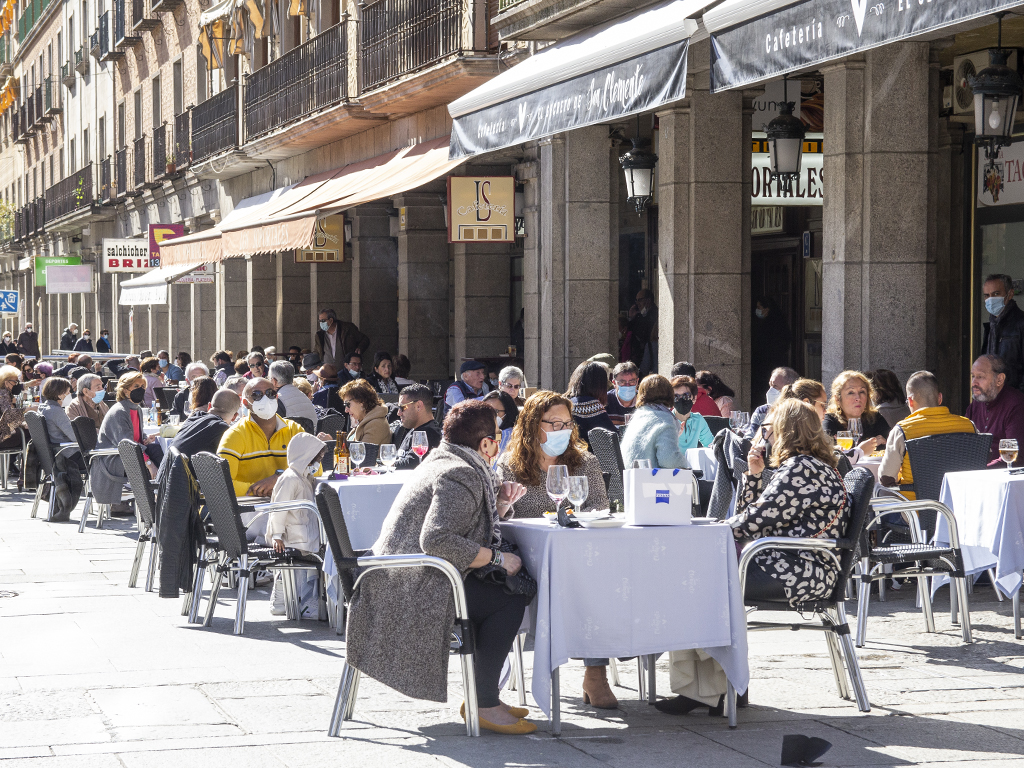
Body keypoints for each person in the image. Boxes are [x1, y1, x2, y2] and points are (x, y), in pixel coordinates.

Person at [345, 400, 534, 734]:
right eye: (497, 435)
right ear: (486, 444)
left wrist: (500, 505)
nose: (500, 442)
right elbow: (437, 540)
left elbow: (459, 529)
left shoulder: (446, 458)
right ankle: (485, 702)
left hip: (398, 578)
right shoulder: (460, 472)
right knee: (508, 598)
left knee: (497, 593)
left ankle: (483, 695)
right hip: (413, 585)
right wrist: (498, 559)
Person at [657, 399, 846, 718]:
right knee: (698, 572)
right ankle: (716, 687)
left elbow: (750, 521)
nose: (763, 435)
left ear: (783, 431)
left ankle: (713, 687)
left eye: (766, 428)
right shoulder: (811, 465)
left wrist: (708, 528)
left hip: (796, 569)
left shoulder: (801, 468)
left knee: (695, 576)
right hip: (805, 566)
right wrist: (754, 474)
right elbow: (754, 516)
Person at [493, 390, 613, 708]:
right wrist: (505, 505)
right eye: (553, 423)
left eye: (566, 424)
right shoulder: (509, 466)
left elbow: (599, 509)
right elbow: (498, 521)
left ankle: (595, 673)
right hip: (529, 560)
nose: (561, 431)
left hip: (577, 555)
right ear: (534, 426)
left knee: (595, 581)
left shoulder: (584, 462)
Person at [878, 371, 977, 497]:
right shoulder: (969, 426)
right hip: (959, 508)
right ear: (940, 398)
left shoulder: (902, 431)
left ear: (910, 401)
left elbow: (886, 479)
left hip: (916, 511)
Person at [265, 431, 327, 616]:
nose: (318, 463)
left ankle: (303, 601)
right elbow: (279, 509)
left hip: (305, 536)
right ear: (306, 457)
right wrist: (277, 534)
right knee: (298, 574)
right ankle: (287, 598)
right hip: (293, 538)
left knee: (303, 576)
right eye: (317, 458)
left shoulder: (304, 479)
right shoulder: (290, 479)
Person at [218, 377, 307, 498]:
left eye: (270, 393)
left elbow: (316, 469)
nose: (265, 398)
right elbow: (220, 484)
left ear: (276, 397)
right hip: (250, 509)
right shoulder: (235, 434)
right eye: (257, 395)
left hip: (289, 504)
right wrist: (261, 490)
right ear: (245, 403)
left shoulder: (294, 430)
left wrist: (280, 479)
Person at [92, 372, 162, 508]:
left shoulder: (137, 410)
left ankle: (161, 500)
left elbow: (136, 440)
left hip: (131, 455)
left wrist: (145, 439)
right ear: (125, 390)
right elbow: (127, 446)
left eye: (143, 386)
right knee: (155, 463)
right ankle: (154, 507)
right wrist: (149, 463)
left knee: (158, 452)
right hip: (115, 460)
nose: (140, 389)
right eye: (136, 386)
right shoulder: (120, 411)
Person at [966, 354, 1024, 467]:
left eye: (980, 377)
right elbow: (964, 442)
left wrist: (980, 470)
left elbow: (1015, 457)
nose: (974, 383)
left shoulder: (1016, 404)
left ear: (999, 379)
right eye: (973, 376)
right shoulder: (976, 404)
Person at [620, 375, 689, 469]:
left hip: (629, 479)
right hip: (648, 480)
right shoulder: (665, 419)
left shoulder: (639, 415)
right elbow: (669, 460)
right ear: (669, 393)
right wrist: (688, 465)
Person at [822, 370, 890, 453]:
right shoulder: (830, 420)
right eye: (851, 392)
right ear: (838, 399)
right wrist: (863, 449)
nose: (858, 398)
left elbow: (890, 444)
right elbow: (829, 453)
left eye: (862, 392)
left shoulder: (875, 418)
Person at [982, 274, 1024, 391]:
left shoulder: (1020, 324)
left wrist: (1018, 397)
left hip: (1015, 399)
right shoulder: (991, 326)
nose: (990, 299)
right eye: (987, 295)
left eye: (996, 294)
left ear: (1010, 294)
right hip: (993, 396)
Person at [38, 377, 87, 473]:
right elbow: (75, 437)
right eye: (68, 392)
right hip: (68, 455)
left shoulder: (43, 407)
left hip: (53, 454)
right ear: (60, 394)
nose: (70, 395)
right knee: (101, 458)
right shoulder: (56, 411)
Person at [565, 361, 616, 451]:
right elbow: (613, 438)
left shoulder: (566, 402)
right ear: (600, 385)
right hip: (587, 460)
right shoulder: (592, 406)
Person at [392, 383, 443, 469]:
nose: (398, 413)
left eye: (402, 408)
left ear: (418, 406)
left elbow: (412, 464)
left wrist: (385, 465)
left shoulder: (429, 434)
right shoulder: (414, 430)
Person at [751, 295, 791, 397]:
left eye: (759, 307)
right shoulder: (765, 323)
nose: (757, 310)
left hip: (771, 362)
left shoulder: (775, 324)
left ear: (767, 309)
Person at [746, 367, 800, 439]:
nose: (770, 390)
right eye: (770, 385)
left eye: (775, 386)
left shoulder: (799, 411)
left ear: (790, 389)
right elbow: (750, 438)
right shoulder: (761, 411)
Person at [339, 378, 391, 446]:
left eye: (348, 404)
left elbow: (361, 453)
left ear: (361, 402)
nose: (346, 410)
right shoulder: (363, 421)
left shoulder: (376, 424)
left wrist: (334, 444)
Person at [671, 376, 714, 451]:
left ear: (694, 398)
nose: (681, 400)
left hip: (693, 462)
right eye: (676, 397)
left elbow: (711, 445)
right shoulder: (666, 420)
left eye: (686, 396)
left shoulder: (698, 420)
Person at [269, 360, 317, 426]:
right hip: (310, 435)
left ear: (274, 381)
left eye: (269, 378)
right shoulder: (304, 397)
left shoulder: (278, 400)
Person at [481, 390, 519, 465]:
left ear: (508, 412)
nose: (489, 415)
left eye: (495, 411)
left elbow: (494, 468)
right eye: (484, 411)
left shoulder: (506, 434)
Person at [627, 288, 657, 375]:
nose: (637, 304)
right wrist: (631, 317)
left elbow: (643, 333)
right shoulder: (640, 315)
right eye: (636, 301)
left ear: (648, 300)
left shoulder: (654, 313)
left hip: (650, 352)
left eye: (640, 300)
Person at [0, 365, 26, 460]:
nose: (16, 384)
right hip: (2, 437)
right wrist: (26, 410)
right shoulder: (2, 394)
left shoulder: (5, 393)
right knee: (30, 435)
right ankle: (26, 470)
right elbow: (9, 414)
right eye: (15, 382)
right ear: (6, 382)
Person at [605, 361, 639, 426]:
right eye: (622, 382)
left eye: (632, 381)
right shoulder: (604, 401)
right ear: (614, 383)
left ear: (637, 381)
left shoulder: (645, 401)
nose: (627, 385)